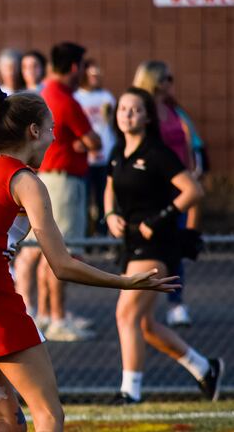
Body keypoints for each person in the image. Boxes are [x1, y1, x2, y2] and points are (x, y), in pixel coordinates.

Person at [0, 79, 178, 432]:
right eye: (50, 129)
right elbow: (61, 265)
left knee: (9, 424)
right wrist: (124, 282)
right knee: (49, 415)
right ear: (33, 131)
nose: (53, 137)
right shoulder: (25, 181)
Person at [105, 87, 222, 404]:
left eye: (135, 110)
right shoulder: (118, 151)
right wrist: (110, 214)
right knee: (144, 324)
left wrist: (159, 218)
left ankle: (130, 392)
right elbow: (109, 186)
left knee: (126, 314)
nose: (127, 115)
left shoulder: (157, 152)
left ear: (147, 117)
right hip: (131, 244)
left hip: (157, 244)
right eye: (123, 109)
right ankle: (204, 368)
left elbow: (193, 190)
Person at [14, 42, 101, 342]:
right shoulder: (64, 98)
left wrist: (77, 143)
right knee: (61, 252)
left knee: (45, 252)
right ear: (74, 67)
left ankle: (50, 314)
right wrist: (80, 144)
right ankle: (58, 317)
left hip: (50, 178)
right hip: (64, 182)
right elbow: (94, 141)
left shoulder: (46, 93)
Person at [133, 60, 196, 327]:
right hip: (155, 189)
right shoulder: (145, 111)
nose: (172, 83)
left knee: (176, 245)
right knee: (149, 250)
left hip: (178, 186)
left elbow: (185, 142)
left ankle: (176, 303)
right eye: (167, 78)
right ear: (156, 81)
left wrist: (191, 171)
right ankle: (142, 303)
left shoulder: (172, 109)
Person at [74, 58, 117, 237]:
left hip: (105, 155)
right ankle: (85, 236)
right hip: (85, 158)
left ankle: (102, 235)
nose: (95, 77)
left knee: (103, 199)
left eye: (97, 74)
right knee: (84, 200)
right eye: (91, 74)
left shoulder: (107, 97)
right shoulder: (76, 97)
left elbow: (111, 125)